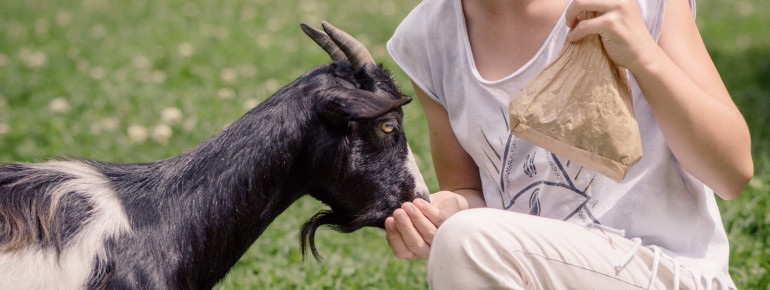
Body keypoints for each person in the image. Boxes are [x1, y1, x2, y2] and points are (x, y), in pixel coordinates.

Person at [383, 0, 753, 288]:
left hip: (666, 273)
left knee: (467, 240)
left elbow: (732, 173)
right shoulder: (428, 36)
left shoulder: (637, 4)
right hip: (533, 271)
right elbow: (469, 191)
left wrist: (645, 57)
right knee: (462, 238)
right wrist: (442, 214)